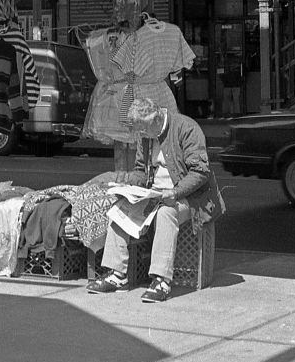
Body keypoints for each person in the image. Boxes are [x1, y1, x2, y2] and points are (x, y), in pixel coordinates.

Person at [87, 96, 224, 303]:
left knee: (166, 212)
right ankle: (117, 275)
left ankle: (161, 280)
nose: (140, 135)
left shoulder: (186, 128)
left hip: (190, 197)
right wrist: (124, 185)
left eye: (143, 129)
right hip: (156, 194)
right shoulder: (147, 135)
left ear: (156, 120)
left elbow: (200, 172)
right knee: (120, 209)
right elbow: (142, 171)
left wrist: (175, 193)